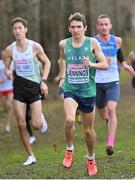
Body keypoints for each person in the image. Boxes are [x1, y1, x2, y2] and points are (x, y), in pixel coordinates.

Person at [59, 12, 108, 176]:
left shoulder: (92, 42)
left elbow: (104, 64)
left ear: (85, 28)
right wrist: (62, 76)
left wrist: (91, 64)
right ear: (69, 28)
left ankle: (91, 158)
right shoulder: (63, 44)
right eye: (72, 27)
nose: (76, 30)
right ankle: (70, 149)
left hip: (87, 91)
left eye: (79, 26)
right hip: (70, 89)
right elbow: (62, 60)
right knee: (69, 120)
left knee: (88, 130)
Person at [4, 17, 51, 166]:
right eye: (15, 28)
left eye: (20, 28)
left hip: (34, 87)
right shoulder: (10, 49)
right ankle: (31, 155)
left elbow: (47, 62)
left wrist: (43, 81)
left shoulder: (35, 47)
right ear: (12, 31)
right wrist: (7, 72)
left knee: (36, 125)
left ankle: (40, 119)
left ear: (25, 29)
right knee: (21, 123)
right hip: (18, 88)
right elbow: (6, 67)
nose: (17, 31)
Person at [94, 14, 134, 156]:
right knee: (103, 114)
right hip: (97, 82)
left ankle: (110, 143)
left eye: (106, 24)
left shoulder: (117, 40)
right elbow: (88, 59)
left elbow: (119, 56)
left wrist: (125, 65)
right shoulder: (93, 42)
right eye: (101, 24)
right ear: (97, 26)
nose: (104, 27)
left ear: (110, 26)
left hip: (112, 80)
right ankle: (108, 122)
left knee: (111, 109)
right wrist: (101, 60)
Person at [0, 50, 14, 133]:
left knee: (9, 105)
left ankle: (8, 124)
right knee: (5, 107)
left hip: (10, 87)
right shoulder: (0, 63)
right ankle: (7, 119)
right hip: (1, 88)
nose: (4, 55)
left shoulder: (12, 63)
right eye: (3, 55)